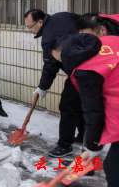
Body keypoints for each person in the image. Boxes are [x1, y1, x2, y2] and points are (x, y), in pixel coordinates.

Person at [50, 34, 119, 187]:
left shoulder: (84, 71)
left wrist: (93, 146)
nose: (62, 64)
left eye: (60, 60)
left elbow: (93, 111)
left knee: (114, 168)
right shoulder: (106, 41)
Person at [24, 9, 84, 157]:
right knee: (82, 102)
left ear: (40, 22)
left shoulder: (48, 37)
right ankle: (84, 135)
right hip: (91, 61)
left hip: (81, 69)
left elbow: (50, 65)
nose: (29, 30)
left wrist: (43, 87)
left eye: (30, 27)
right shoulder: (62, 16)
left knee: (67, 105)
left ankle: (64, 146)